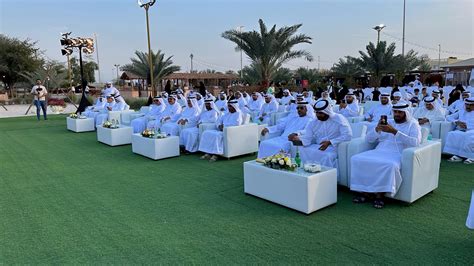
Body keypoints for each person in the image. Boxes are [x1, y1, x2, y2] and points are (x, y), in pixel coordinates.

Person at [350, 101, 422, 209]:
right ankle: (365, 192)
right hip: (380, 149)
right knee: (357, 159)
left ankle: (380, 196)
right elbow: (369, 139)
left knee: (389, 165)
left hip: (398, 153)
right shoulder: (389, 122)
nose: (397, 114)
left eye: (400, 112)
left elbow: (415, 142)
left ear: (406, 113)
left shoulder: (413, 124)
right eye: (395, 112)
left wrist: (394, 132)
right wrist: (377, 129)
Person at [289, 99, 352, 168]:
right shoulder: (314, 122)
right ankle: (307, 173)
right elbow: (307, 137)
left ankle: (325, 176)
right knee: (302, 150)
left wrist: (330, 142)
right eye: (316, 112)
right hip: (318, 146)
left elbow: (347, 135)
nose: (318, 115)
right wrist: (297, 141)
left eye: (320, 113)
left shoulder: (338, 118)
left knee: (326, 156)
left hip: (334, 146)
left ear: (327, 112)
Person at [444, 97, 474, 164]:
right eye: (467, 104)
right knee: (453, 134)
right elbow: (448, 117)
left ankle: (471, 157)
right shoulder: (461, 111)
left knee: (468, 135)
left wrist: (468, 126)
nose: (468, 107)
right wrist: (457, 122)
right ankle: (458, 155)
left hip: (472, 130)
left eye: (470, 105)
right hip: (462, 130)